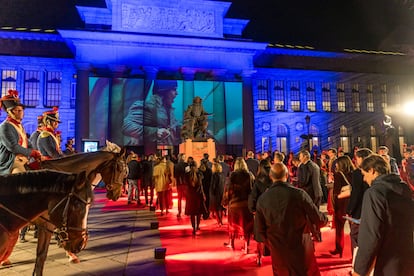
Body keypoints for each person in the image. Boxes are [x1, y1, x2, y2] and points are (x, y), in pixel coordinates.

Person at [255, 163, 328, 276]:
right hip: (301, 247)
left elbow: (259, 232)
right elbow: (318, 219)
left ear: (271, 176)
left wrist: (272, 245)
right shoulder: (299, 194)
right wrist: (326, 219)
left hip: (279, 251)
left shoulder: (263, 199)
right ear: (287, 175)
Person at [353, 154, 414, 275]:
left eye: (365, 175)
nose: (365, 179)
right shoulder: (403, 188)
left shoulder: (374, 193)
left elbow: (371, 235)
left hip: (387, 261)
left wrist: (360, 269)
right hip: (407, 258)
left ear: (372, 170)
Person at [122, 80, 179, 147]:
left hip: (166, 152)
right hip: (148, 153)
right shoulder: (146, 106)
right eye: (174, 89)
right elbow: (127, 126)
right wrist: (155, 132)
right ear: (164, 91)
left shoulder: (169, 110)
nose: (176, 93)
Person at [0, 90, 41, 176]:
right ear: (9, 112)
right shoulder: (5, 126)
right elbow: (13, 147)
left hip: (24, 158)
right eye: (17, 110)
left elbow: (27, 142)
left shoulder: (20, 126)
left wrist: (36, 153)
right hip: (11, 162)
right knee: (22, 176)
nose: (21, 112)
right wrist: (32, 153)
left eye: (21, 110)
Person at [223, 157, 254, 254]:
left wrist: (225, 202)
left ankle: (232, 244)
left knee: (232, 225)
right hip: (246, 204)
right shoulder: (249, 176)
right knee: (246, 227)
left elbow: (228, 190)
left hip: (234, 204)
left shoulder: (232, 176)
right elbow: (252, 190)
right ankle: (246, 247)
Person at [346, 148, 372, 266]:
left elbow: (356, 194)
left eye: (357, 158)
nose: (355, 161)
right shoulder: (376, 171)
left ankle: (357, 264)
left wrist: (350, 210)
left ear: (361, 158)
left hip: (360, 211)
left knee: (355, 236)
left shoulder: (358, 173)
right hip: (372, 209)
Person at [330, 155, 355, 258]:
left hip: (341, 203)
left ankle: (339, 248)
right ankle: (354, 254)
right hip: (352, 203)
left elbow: (336, 191)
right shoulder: (355, 174)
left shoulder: (338, 175)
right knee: (353, 230)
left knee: (339, 227)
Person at [248, 159, 272, 266]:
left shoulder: (258, 181)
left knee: (259, 234)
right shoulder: (273, 179)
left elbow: (253, 197)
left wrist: (252, 209)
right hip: (273, 210)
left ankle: (259, 257)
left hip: (260, 210)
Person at [297, 149, 323, 241]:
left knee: (309, 215)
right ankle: (318, 235)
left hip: (310, 193)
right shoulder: (315, 165)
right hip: (318, 192)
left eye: (300, 156)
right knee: (316, 215)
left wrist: (297, 181)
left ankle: (315, 235)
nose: (299, 158)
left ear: (304, 157)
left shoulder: (305, 166)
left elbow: (304, 181)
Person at [184, 160, 206, 235]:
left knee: (192, 213)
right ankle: (198, 226)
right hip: (198, 195)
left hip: (190, 196)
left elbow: (185, 185)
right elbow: (201, 185)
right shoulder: (199, 174)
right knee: (199, 212)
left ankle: (193, 227)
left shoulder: (187, 175)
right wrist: (203, 194)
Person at [209, 161, 225, 226]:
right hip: (222, 192)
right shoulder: (222, 174)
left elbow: (213, 185)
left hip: (216, 193)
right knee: (221, 208)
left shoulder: (214, 175)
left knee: (216, 208)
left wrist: (211, 193)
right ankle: (221, 220)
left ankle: (219, 221)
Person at [174, 153, 188, 218]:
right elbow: (188, 174)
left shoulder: (176, 165)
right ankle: (187, 211)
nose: (185, 158)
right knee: (187, 198)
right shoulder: (186, 165)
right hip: (185, 184)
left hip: (179, 183)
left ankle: (179, 212)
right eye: (184, 156)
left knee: (179, 198)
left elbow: (175, 175)